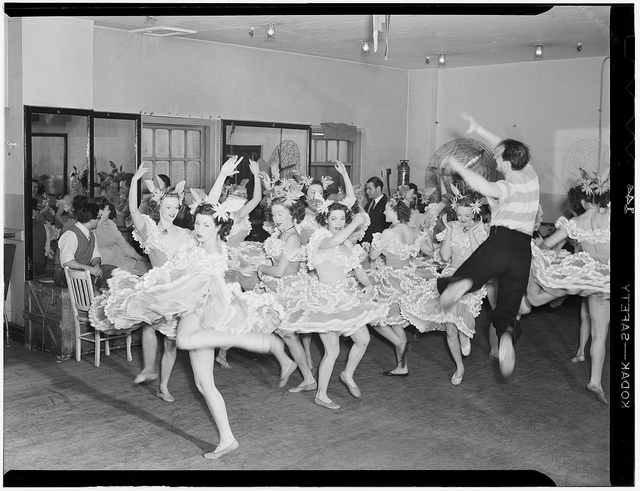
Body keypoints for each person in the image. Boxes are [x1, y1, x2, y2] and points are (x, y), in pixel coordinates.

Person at [437, 112, 540, 379]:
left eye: (497, 157)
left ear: (506, 163)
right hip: (522, 251)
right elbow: (505, 147)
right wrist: (479, 129)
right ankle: (506, 335)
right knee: (508, 305)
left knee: (461, 276)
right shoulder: (531, 176)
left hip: (501, 242)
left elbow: (482, 184)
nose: (494, 158)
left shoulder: (507, 186)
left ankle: (463, 283)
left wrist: (458, 166)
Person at [279, 201, 388, 410]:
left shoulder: (348, 244)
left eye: (342, 218)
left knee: (363, 340)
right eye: (333, 218)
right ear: (325, 220)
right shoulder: (320, 238)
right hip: (324, 300)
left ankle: (347, 374)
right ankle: (321, 394)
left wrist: (368, 285)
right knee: (332, 350)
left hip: (345, 297)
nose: (338, 223)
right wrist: (355, 222)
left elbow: (358, 269)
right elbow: (334, 240)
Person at [525, 175, 610, 403]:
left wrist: (533, 250)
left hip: (585, 274)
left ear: (582, 202)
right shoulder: (610, 217)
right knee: (600, 334)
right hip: (605, 280)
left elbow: (547, 245)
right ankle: (595, 380)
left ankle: (534, 292)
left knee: (540, 298)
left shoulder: (576, 223)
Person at [125, 166, 191, 401]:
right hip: (157, 288)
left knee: (171, 343)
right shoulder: (149, 231)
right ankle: (149, 368)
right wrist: (134, 181)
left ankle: (163, 386)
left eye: (175, 207)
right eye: (168, 207)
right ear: (159, 207)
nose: (172, 211)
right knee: (149, 325)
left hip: (179, 292)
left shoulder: (184, 233)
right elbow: (132, 208)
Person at [367, 194, 433, 376]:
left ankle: (399, 343)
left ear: (395, 211)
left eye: (387, 209)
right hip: (407, 279)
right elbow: (429, 251)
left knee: (374, 318)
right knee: (396, 323)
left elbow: (373, 256)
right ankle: (402, 366)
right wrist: (425, 231)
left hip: (390, 281)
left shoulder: (388, 233)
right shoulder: (412, 231)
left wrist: (377, 241)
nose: (384, 212)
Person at [256, 195, 317, 392]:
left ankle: (305, 375)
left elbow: (280, 271)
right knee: (285, 336)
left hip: (286, 290)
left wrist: (261, 268)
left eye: (280, 213)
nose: (276, 218)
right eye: (274, 214)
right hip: (276, 286)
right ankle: (302, 373)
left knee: (284, 335)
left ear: (292, 213)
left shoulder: (292, 238)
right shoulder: (280, 234)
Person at [52, 199, 116, 290]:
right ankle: (94, 293)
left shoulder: (92, 234)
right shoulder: (71, 235)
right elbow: (67, 262)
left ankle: (101, 294)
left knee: (113, 270)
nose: (99, 220)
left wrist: (96, 266)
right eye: (98, 218)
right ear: (92, 221)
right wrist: (90, 269)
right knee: (79, 274)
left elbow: (95, 255)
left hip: (84, 269)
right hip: (65, 273)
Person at [92, 197, 151, 276]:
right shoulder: (92, 230)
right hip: (109, 264)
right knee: (142, 276)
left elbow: (122, 242)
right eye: (107, 209)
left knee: (149, 271)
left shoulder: (110, 223)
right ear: (100, 212)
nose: (110, 212)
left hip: (124, 259)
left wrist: (137, 256)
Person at [361, 176, 389, 244]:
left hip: (378, 243)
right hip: (366, 242)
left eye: (369, 189)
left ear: (378, 188)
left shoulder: (387, 204)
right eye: (366, 189)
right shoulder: (370, 203)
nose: (367, 191)